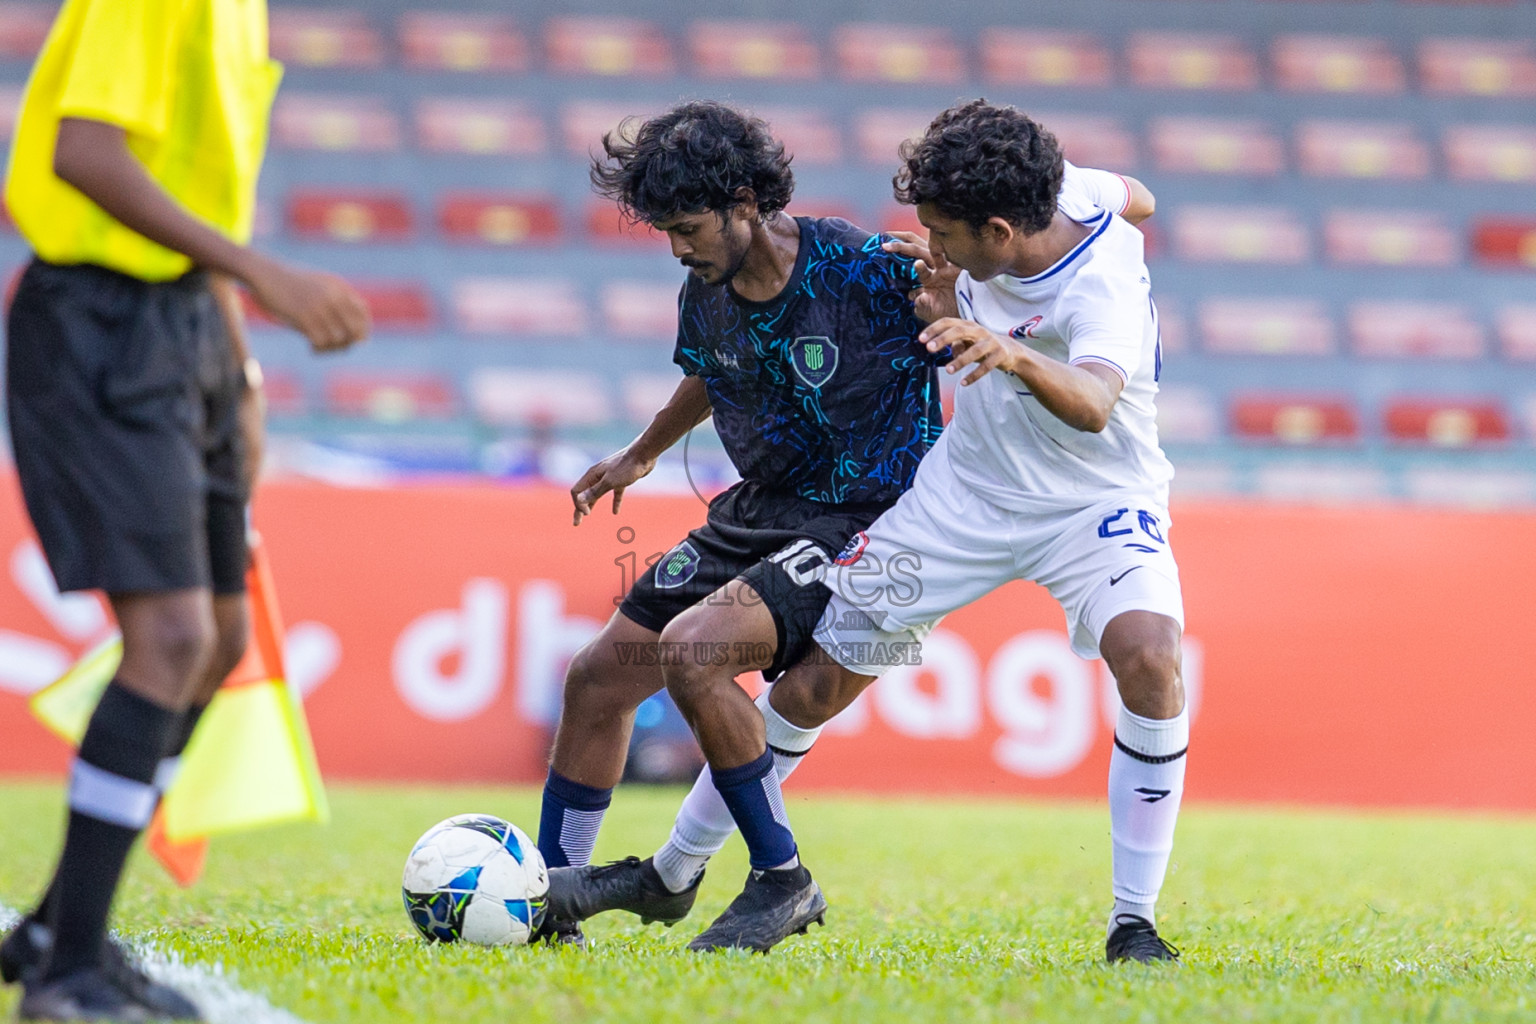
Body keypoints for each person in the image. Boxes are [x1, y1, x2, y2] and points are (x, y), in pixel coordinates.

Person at [551, 99, 1182, 960]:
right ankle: (660, 877)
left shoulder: (1091, 283)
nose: (928, 246)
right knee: (802, 692)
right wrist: (642, 453)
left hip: (1089, 506)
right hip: (957, 503)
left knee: (1149, 656)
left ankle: (1132, 923)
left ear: (999, 231)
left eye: (944, 234)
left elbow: (1096, 404)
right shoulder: (1055, 192)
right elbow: (1134, 193)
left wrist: (1008, 347)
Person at [0, 0, 370, 1018]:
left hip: (185, 328)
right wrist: (261, 275)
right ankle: (67, 974)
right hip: (99, 322)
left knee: (214, 642)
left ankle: (52, 933)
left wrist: (237, 370)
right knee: (168, 637)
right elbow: (84, 154)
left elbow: (194, 188)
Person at [533, 99, 951, 948]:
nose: (678, 248)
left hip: (865, 521)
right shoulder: (706, 290)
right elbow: (712, 373)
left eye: (688, 227)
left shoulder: (865, 267)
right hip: (758, 511)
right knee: (596, 682)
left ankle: (782, 881)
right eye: (668, 233)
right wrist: (641, 453)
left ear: (747, 204)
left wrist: (956, 300)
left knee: (696, 652)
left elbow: (976, 322)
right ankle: (548, 904)